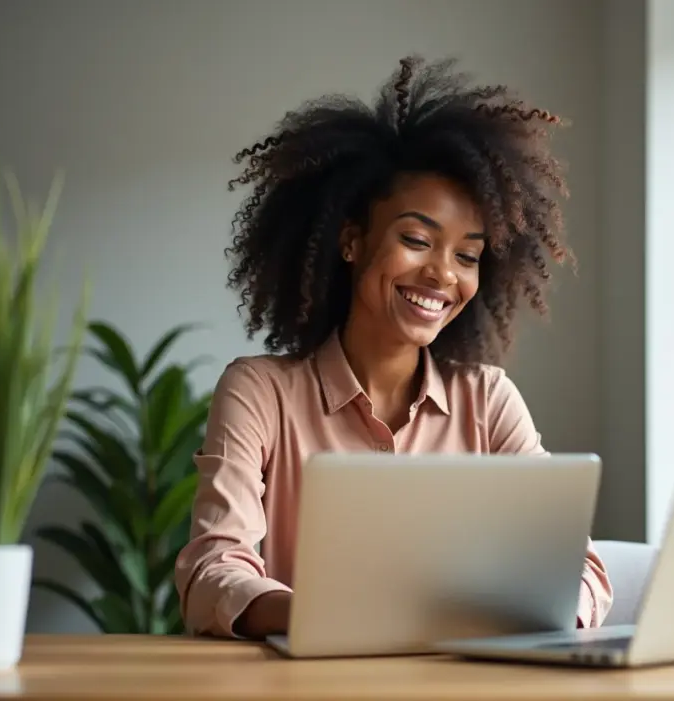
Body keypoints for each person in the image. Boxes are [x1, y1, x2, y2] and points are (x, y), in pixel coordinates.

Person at [174, 55, 613, 639]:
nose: (441, 274)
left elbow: (580, 570)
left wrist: (548, 618)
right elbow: (213, 570)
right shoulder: (261, 392)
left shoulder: (488, 400)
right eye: (416, 239)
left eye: (467, 255)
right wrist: (333, 620)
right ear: (352, 240)